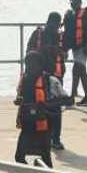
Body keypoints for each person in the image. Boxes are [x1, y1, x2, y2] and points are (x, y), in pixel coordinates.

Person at [14, 51, 71, 173]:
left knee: (46, 159)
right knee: (19, 157)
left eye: (32, 64)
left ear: (40, 65)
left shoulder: (50, 81)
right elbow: (21, 97)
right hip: (27, 126)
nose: (29, 67)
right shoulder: (24, 80)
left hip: (44, 126)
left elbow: (68, 100)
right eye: (27, 64)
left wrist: (45, 104)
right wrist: (18, 101)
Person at [27, 12, 67, 150]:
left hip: (50, 77)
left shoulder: (56, 36)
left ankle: (52, 138)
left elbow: (65, 54)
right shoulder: (41, 34)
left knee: (49, 108)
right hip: (43, 77)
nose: (55, 26)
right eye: (55, 23)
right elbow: (29, 53)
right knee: (45, 108)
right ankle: (49, 138)